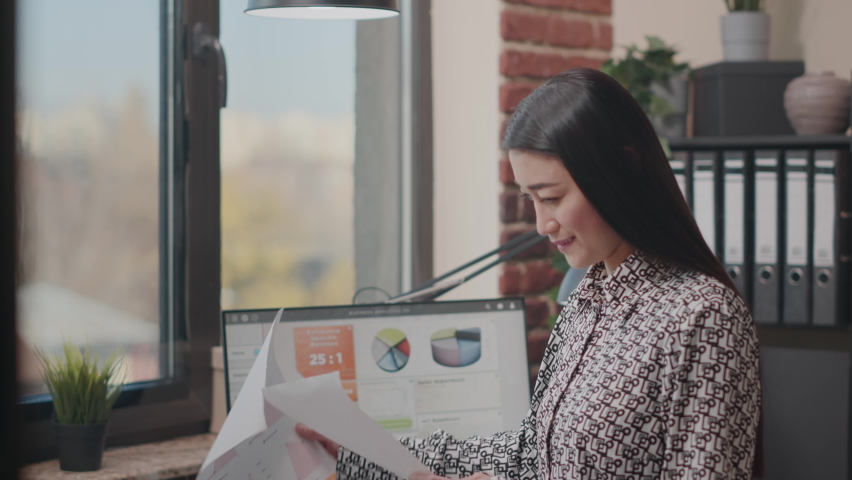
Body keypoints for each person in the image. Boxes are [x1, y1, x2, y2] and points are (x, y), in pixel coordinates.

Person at [298, 67, 762, 480]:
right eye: (530, 199)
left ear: (623, 168)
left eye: (553, 197)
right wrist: (365, 453)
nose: (542, 224)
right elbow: (530, 456)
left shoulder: (702, 316)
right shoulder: (588, 298)